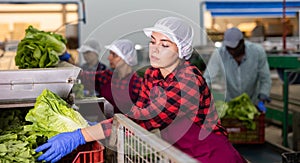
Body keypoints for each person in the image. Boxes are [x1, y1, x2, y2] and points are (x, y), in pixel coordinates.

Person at [35, 17, 247, 163]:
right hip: (179, 154)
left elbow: (143, 119)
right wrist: (100, 126)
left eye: (165, 45)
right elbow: (135, 114)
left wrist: (81, 135)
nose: (154, 49)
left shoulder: (187, 81)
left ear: (181, 50)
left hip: (211, 155)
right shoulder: (152, 75)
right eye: (153, 41)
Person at [203, 27, 272, 111]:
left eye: (234, 48)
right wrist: (202, 93)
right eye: (229, 48)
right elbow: (208, 77)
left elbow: (265, 77)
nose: (232, 51)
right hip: (230, 104)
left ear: (242, 42)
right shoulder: (220, 53)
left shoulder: (257, 52)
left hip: (253, 103)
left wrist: (263, 94)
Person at [80, 39, 142, 116]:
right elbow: (84, 76)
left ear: (127, 58)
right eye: (110, 54)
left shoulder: (137, 84)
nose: (109, 58)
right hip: (102, 123)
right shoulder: (107, 76)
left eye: (114, 55)